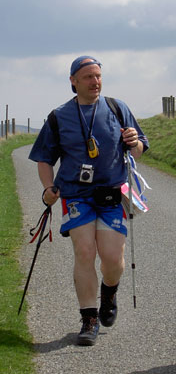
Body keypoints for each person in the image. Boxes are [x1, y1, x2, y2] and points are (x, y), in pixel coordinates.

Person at [29, 56, 149, 346]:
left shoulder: (117, 109)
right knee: (84, 252)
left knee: (112, 259)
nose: (95, 82)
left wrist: (134, 142)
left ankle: (109, 292)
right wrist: (48, 188)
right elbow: (44, 159)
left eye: (98, 76)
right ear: (73, 81)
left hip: (111, 194)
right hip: (75, 195)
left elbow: (140, 150)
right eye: (88, 77)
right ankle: (89, 319)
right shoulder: (59, 116)